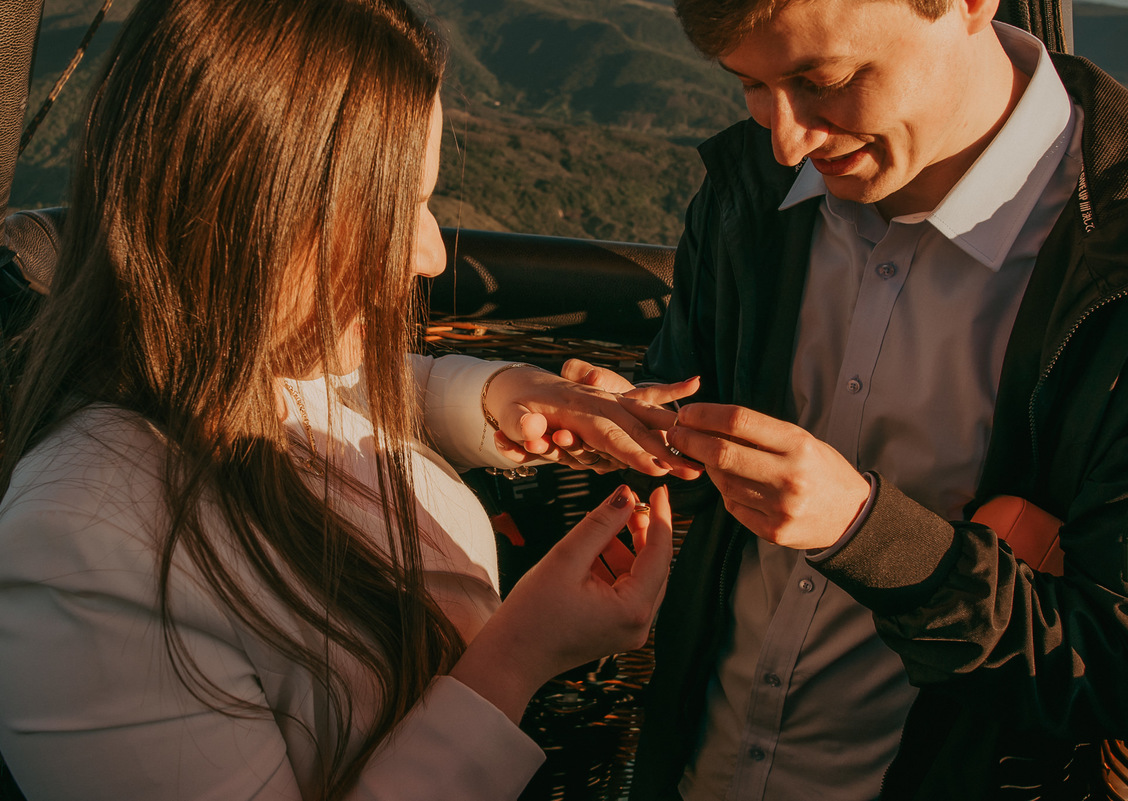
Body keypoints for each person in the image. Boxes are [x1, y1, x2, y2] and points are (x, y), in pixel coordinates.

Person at [0, 1, 691, 799]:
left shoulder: (242, 366)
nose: (430, 253)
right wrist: (518, 658)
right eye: (396, 206)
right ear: (245, 213)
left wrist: (505, 392)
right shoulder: (79, 558)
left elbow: (334, 402)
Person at [558, 0, 1128, 797]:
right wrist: (635, 425)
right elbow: (696, 400)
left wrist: (865, 531)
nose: (786, 137)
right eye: (749, 87)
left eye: (821, 80)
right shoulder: (750, 186)